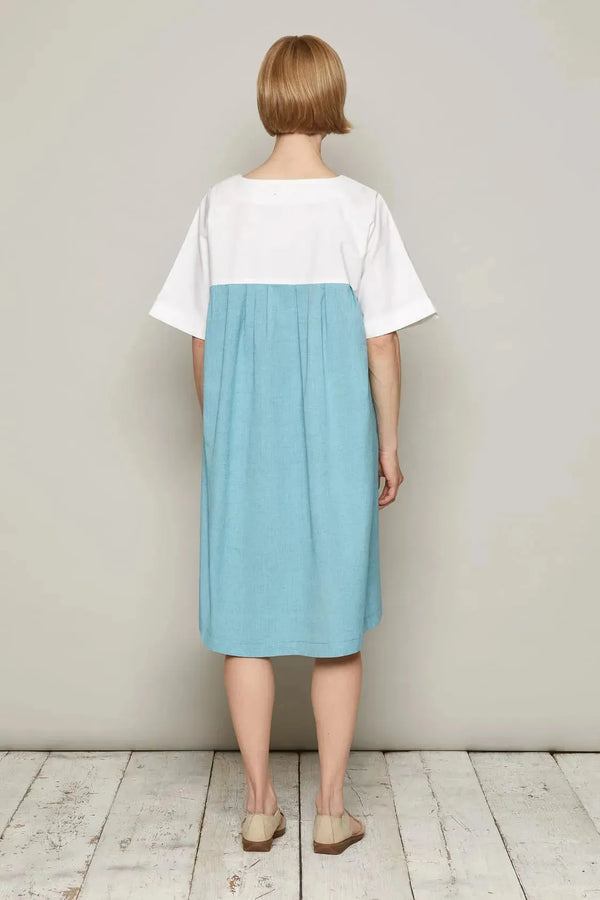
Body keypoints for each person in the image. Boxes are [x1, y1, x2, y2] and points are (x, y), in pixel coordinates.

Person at [149, 34, 437, 855]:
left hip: (242, 436)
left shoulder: (220, 205)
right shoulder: (361, 207)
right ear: (331, 98)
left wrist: (222, 433)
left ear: (267, 97)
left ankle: (258, 806)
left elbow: (200, 338)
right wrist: (387, 444)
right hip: (338, 432)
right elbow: (382, 342)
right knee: (335, 624)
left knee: (245, 624)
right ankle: (332, 811)